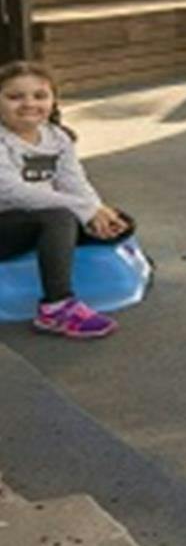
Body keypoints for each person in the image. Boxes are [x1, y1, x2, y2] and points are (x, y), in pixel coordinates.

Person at [0, 61, 130, 339]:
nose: (29, 103)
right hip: (6, 225)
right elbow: (13, 191)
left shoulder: (57, 137)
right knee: (60, 216)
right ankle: (56, 308)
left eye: (39, 95)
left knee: (120, 221)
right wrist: (84, 208)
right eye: (14, 97)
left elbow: (75, 182)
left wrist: (97, 212)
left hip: (38, 220)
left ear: (53, 100)